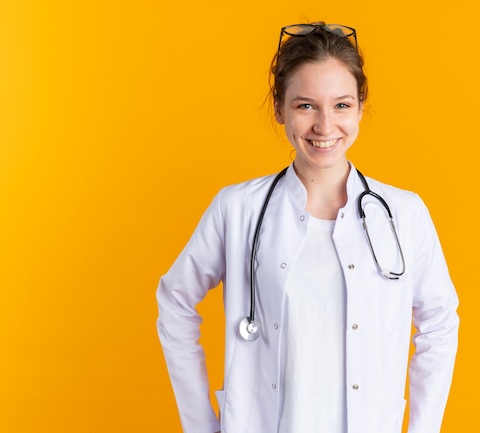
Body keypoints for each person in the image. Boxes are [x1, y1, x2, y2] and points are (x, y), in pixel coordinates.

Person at [156, 22, 459, 433]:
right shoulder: (238, 209)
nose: (325, 126)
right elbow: (175, 301)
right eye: (305, 106)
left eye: (341, 105)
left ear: (360, 106)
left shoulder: (404, 214)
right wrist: (201, 424)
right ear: (280, 108)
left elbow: (439, 323)